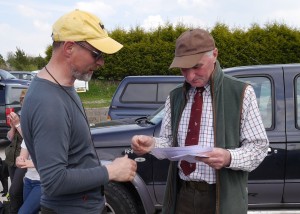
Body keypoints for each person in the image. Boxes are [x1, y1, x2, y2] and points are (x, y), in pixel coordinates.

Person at [131, 29, 269, 214]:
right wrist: (152, 143)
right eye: (183, 69)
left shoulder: (241, 92)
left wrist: (229, 157)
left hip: (223, 200)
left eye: (196, 66)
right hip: (182, 195)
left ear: (215, 54)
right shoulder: (175, 97)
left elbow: (259, 147)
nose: (189, 76)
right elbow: (171, 144)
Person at [20, 9, 137, 213]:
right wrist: (112, 171)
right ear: (69, 48)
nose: (101, 62)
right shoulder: (48, 101)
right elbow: (54, 180)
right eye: (96, 54)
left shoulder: (63, 86)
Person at [5, 89, 27, 213]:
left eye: (24, 99)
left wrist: (18, 125)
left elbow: (29, 140)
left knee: (15, 191)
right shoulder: (19, 114)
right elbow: (9, 137)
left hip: (22, 158)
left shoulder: (31, 115)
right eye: (21, 99)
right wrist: (13, 127)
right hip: (11, 158)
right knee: (14, 191)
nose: (22, 101)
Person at [16, 140, 41, 214]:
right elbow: (22, 157)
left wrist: (33, 163)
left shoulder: (48, 134)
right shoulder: (28, 134)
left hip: (43, 181)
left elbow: (55, 161)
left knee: (23, 212)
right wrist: (19, 160)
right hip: (28, 180)